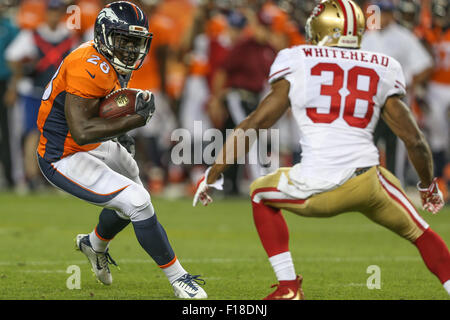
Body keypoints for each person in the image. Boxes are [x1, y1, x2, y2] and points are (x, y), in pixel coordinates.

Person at [193, 0, 449, 300]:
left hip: (317, 186)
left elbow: (255, 123)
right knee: (422, 233)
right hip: (368, 180)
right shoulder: (382, 65)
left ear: (323, 29)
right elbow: (414, 139)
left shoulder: (297, 58)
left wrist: (213, 174)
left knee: (260, 193)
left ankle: (289, 287)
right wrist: (427, 185)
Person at [36, 1, 206, 299]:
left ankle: (94, 244)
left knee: (136, 195)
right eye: (124, 40)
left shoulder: (110, 59)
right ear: (104, 35)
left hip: (89, 144)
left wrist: (123, 129)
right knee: (138, 202)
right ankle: (180, 280)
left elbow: (101, 109)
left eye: (136, 42)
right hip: (62, 154)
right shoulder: (88, 64)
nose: (129, 48)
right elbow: (81, 129)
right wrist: (134, 120)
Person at [5, 0, 77, 191]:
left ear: (62, 13)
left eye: (57, 11)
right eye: (51, 12)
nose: (54, 15)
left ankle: (56, 176)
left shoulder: (69, 37)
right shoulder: (33, 35)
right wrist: (22, 73)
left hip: (58, 95)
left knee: (59, 135)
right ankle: (31, 177)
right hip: (35, 92)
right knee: (32, 134)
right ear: (46, 13)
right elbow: (12, 56)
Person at [361, 0, 434, 185]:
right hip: (370, 102)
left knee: (397, 146)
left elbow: (425, 65)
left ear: (393, 15)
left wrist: (409, 83)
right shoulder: (366, 37)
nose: (383, 17)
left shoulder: (404, 37)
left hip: (396, 101)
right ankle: (368, 186)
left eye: (386, 13)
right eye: (380, 13)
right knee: (367, 146)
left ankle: (395, 186)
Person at [0, 1, 19, 189]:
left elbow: (16, 58)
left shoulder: (9, 28)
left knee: (8, 132)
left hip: (4, 83)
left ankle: (11, 177)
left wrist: (13, 87)